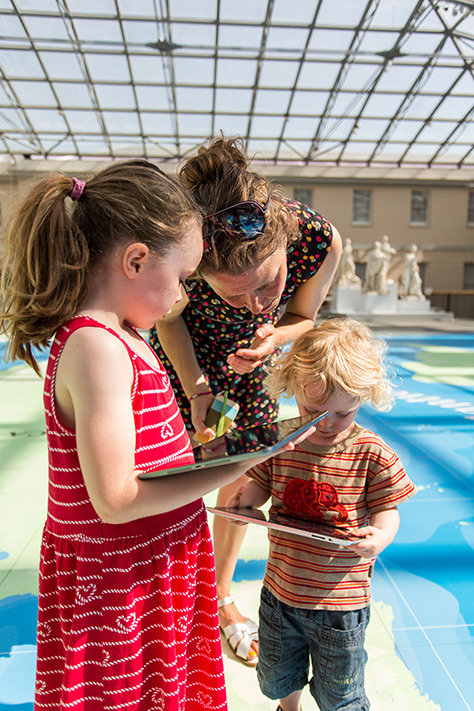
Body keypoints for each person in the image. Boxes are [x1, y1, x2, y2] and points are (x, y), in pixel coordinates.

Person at [0, 161, 315, 710]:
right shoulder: (96, 345)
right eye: (183, 278)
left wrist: (204, 446)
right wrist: (240, 464)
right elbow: (117, 499)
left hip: (154, 563)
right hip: (118, 582)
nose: (182, 298)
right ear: (136, 260)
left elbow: (142, 452)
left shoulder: (125, 335)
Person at [149, 136, 342, 665]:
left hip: (253, 368)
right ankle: (164, 591)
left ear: (284, 238)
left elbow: (301, 317)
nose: (260, 304)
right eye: (236, 295)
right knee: (174, 473)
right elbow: (167, 318)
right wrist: (196, 389)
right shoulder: (184, 248)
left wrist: (274, 336)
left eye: (270, 283)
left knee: (234, 485)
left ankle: (220, 596)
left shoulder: (319, 238)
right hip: (183, 360)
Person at [227, 318, 416, 711]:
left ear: (362, 398)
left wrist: (379, 537)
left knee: (340, 693)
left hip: (340, 605)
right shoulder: (284, 439)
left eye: (342, 414)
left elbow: (388, 510)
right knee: (278, 674)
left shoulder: (371, 453)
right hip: (281, 591)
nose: (327, 424)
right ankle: (288, 707)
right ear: (293, 387)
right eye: (313, 410)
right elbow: (264, 480)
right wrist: (246, 502)